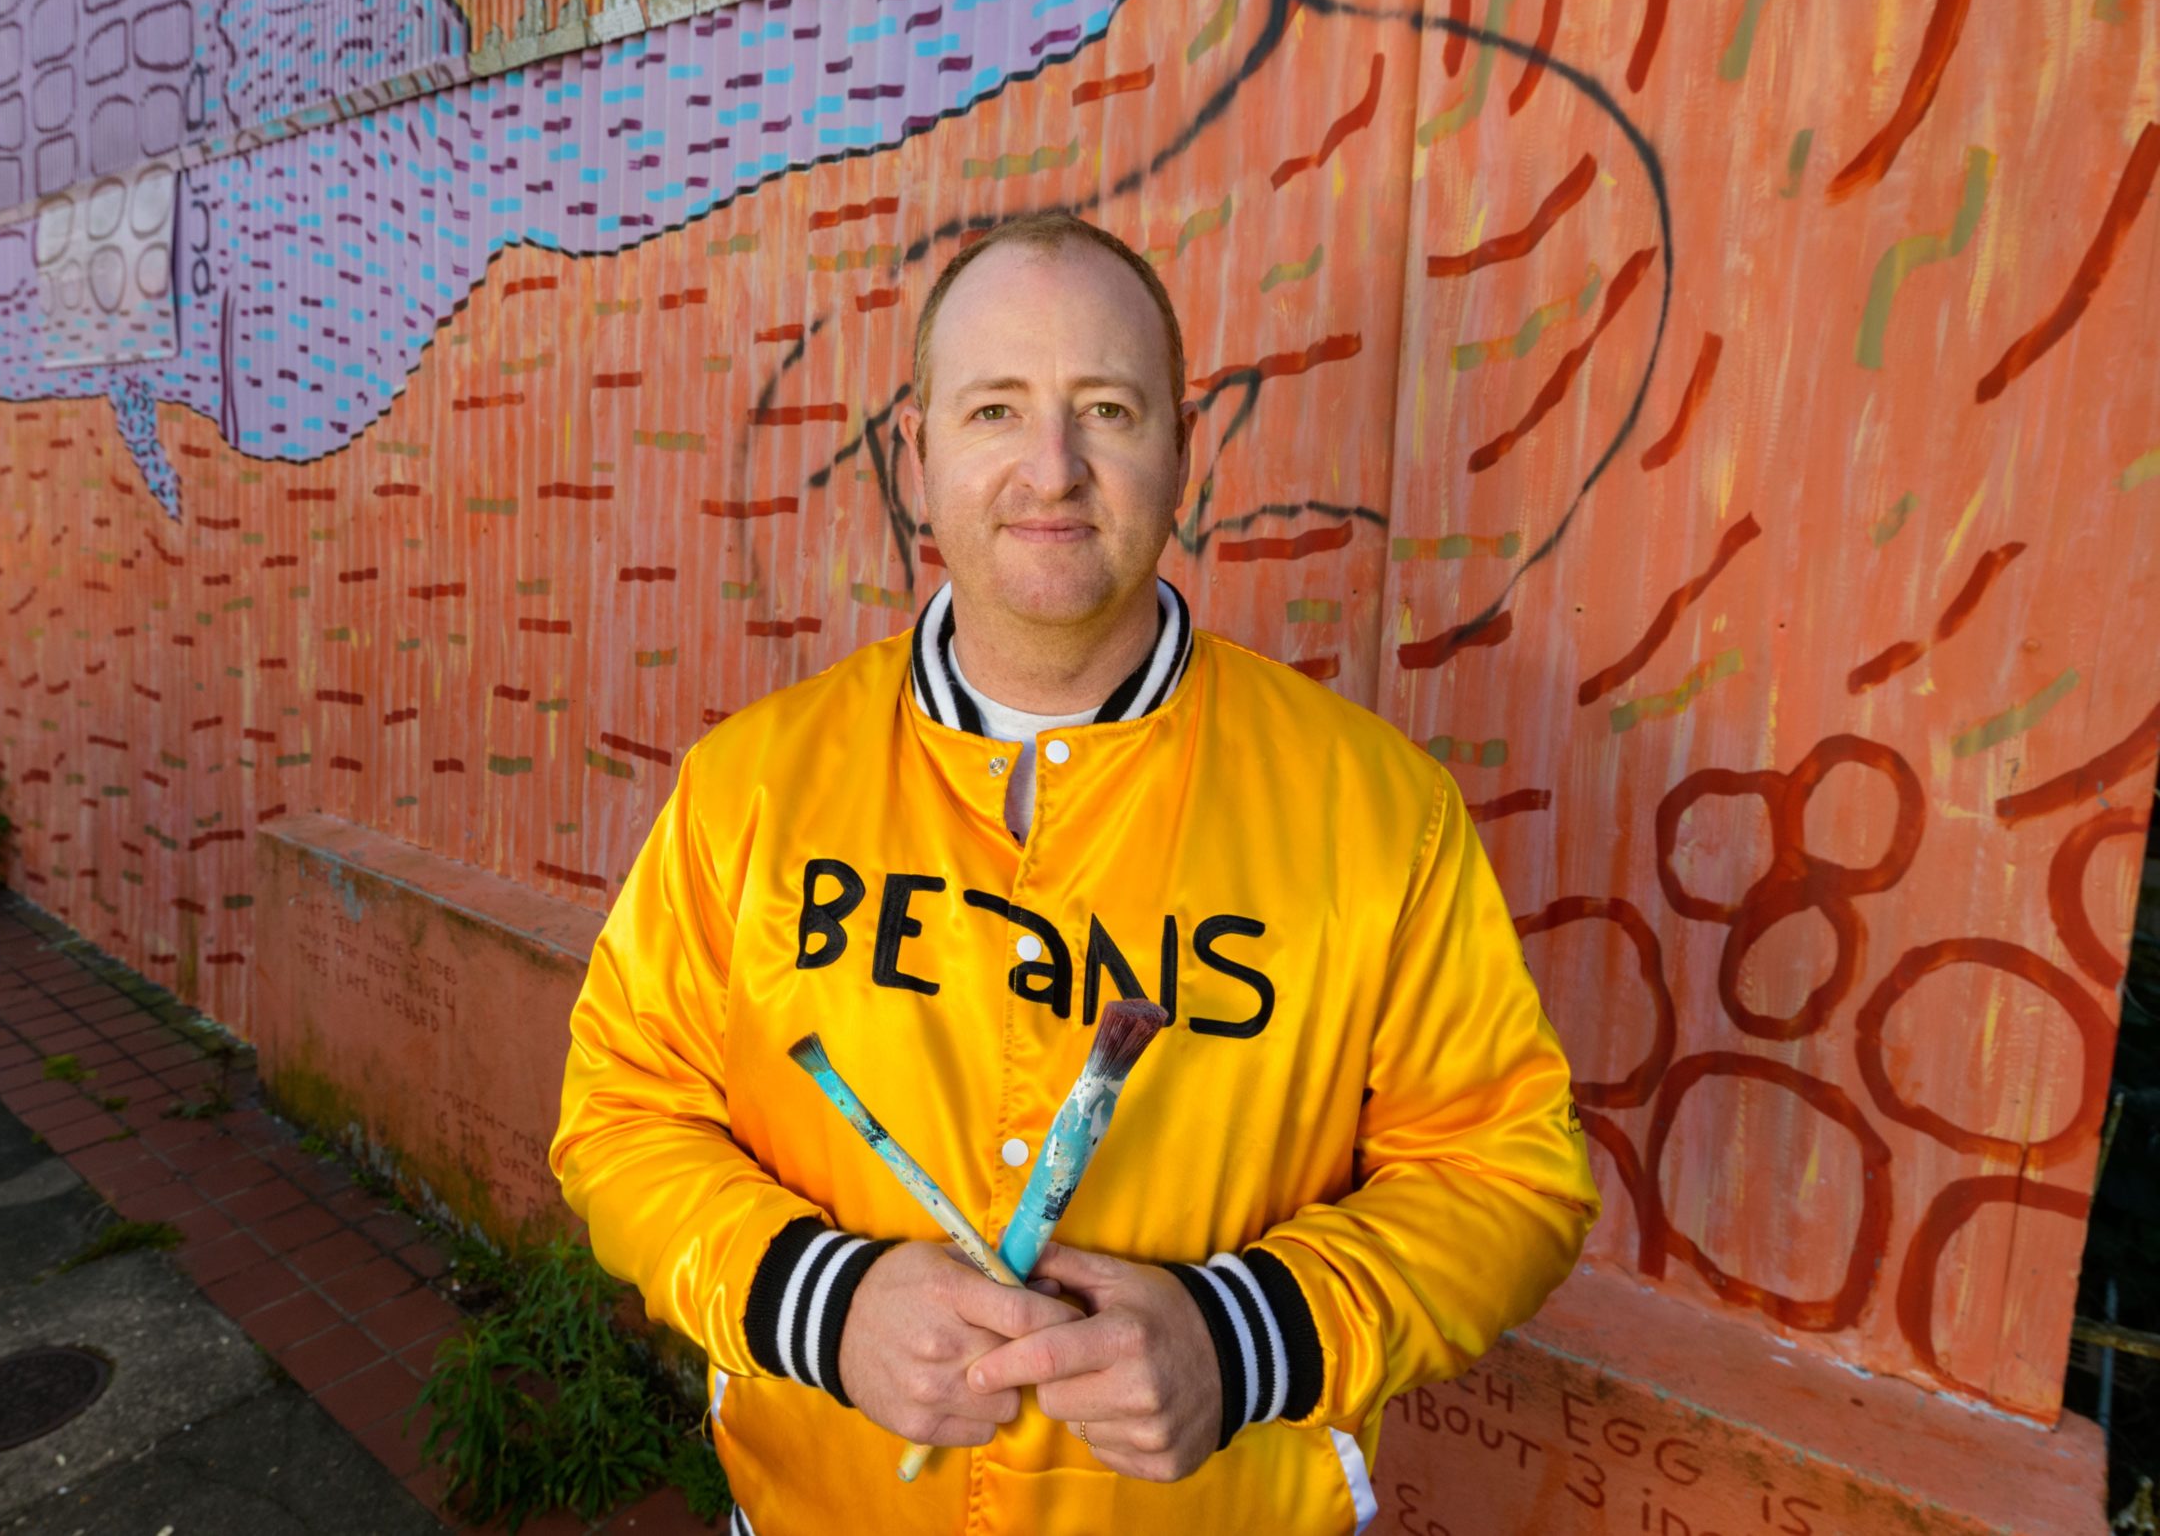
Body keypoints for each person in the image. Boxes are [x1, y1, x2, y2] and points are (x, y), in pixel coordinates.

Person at [550, 209, 1597, 1534]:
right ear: (916, 452)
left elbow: (1510, 1171)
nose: (1052, 468)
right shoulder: (747, 788)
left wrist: (1243, 1336)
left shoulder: (1378, 811)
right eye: (995, 410)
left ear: (1180, 452)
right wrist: (824, 1302)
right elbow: (619, 1118)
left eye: (1106, 407)